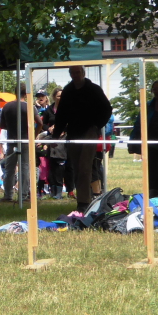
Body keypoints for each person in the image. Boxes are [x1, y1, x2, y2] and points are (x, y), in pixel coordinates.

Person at [51, 65, 112, 210]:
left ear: (83, 73)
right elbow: (61, 115)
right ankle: (85, 198)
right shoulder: (68, 91)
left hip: (89, 132)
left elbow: (107, 109)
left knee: (85, 167)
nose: (75, 75)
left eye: (78, 72)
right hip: (73, 132)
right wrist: (55, 136)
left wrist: (97, 126)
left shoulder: (94, 89)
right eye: (73, 72)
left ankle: (84, 202)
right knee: (76, 167)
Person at [0, 96, 32, 202]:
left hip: (11, 141)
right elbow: (39, 122)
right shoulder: (29, 106)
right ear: (25, 94)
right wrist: (34, 135)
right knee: (24, 168)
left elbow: (2, 125)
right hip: (25, 140)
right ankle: (23, 195)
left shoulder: (7, 106)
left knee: (9, 169)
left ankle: (8, 195)